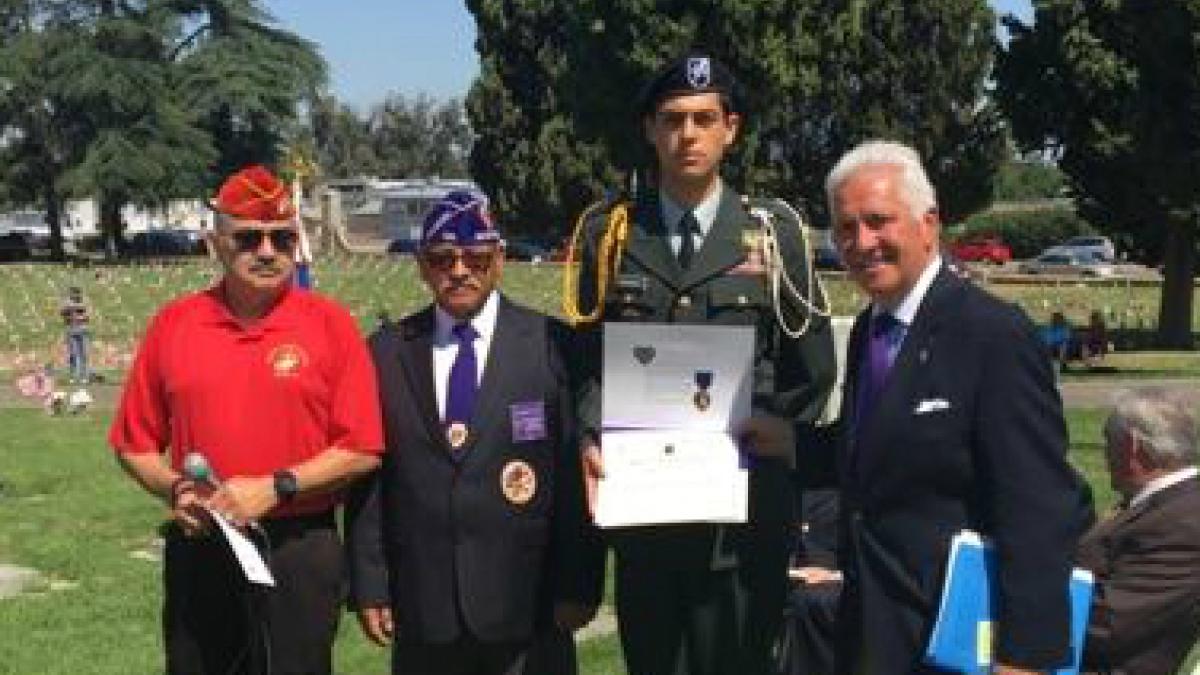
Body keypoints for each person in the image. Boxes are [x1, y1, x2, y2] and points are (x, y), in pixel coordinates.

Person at [741, 140, 1086, 674]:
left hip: (958, 637)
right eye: (846, 228)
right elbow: (877, 453)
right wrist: (789, 441)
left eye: (879, 221)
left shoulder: (991, 334)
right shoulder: (870, 329)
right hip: (876, 628)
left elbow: (1039, 505)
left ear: (929, 224)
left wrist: (1024, 658)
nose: (862, 243)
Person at [568, 52, 836, 675]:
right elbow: (585, 362)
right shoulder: (611, 234)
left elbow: (813, 367)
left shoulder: (774, 235)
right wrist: (589, 433)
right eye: (672, 119)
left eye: (704, 119)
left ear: (730, 129)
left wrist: (772, 432)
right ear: (650, 130)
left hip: (741, 521)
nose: (687, 134)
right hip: (645, 520)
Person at [108, 164, 384, 675]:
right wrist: (175, 490)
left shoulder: (331, 325)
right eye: (249, 238)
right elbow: (133, 444)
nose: (267, 251)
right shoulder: (175, 324)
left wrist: (278, 486)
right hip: (203, 543)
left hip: (297, 546)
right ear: (216, 243)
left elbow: (362, 448)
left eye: (282, 238)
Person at [345, 191, 603, 675]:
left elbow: (577, 474)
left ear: (499, 260)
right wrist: (370, 583)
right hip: (425, 604)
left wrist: (580, 582)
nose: (460, 270)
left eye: (476, 257)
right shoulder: (385, 353)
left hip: (529, 601)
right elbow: (371, 479)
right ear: (422, 266)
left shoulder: (552, 345)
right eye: (442, 259)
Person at [1078, 387, 1200, 675]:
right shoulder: (1160, 504)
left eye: (1107, 441)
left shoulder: (1184, 522)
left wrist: (1021, 595)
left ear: (1131, 446)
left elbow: (1108, 624)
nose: (1105, 454)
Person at [60, 286, 90, 383]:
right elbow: (63, 313)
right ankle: (73, 375)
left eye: (77, 294)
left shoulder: (84, 302)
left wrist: (79, 316)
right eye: (73, 294)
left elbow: (87, 316)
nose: (75, 296)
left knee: (84, 354)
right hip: (71, 331)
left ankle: (84, 375)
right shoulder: (67, 303)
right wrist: (69, 311)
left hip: (83, 331)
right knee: (73, 353)